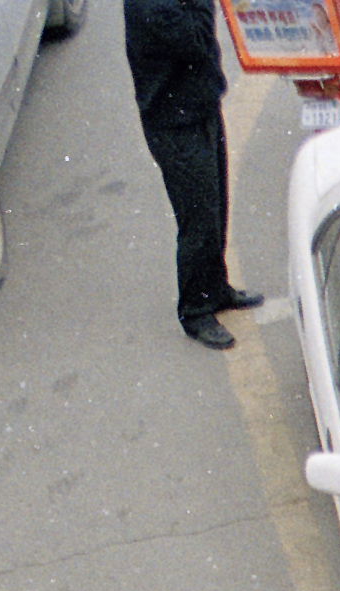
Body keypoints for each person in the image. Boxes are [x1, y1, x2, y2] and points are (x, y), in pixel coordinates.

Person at [122, 0, 252, 347]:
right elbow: (195, 39)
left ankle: (217, 286)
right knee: (198, 217)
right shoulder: (152, 8)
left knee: (217, 204)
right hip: (175, 123)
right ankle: (195, 308)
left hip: (200, 107)